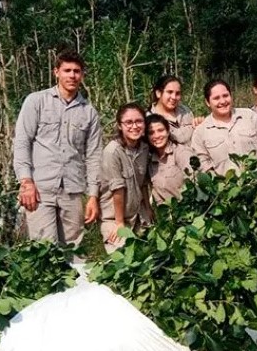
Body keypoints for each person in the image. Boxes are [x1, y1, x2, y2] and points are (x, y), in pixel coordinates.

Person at [13, 49, 102, 248]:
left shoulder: (89, 113)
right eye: (67, 70)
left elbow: (94, 156)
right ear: (56, 72)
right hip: (40, 189)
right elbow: (22, 143)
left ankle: (75, 279)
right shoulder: (36, 101)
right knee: (44, 250)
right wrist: (26, 182)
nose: (72, 75)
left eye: (77, 71)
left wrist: (93, 196)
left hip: (72, 190)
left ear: (82, 75)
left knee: (73, 249)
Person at [191, 79, 257, 179]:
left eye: (225, 96)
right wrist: (220, 188)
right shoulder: (201, 132)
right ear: (207, 102)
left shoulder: (250, 116)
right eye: (216, 98)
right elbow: (203, 165)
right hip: (225, 192)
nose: (223, 101)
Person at [99, 103, 151, 253]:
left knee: (152, 251)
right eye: (129, 122)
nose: (134, 126)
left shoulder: (144, 148)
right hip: (115, 217)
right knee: (124, 257)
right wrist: (120, 223)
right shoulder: (112, 151)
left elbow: (143, 183)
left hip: (138, 213)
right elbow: (118, 190)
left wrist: (148, 208)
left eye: (139, 121)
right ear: (120, 126)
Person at [146, 113, 194, 204]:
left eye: (160, 130)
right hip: (167, 214)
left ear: (168, 132)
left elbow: (195, 183)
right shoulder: (150, 161)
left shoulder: (182, 152)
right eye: (151, 133)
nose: (156, 136)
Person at [148, 75, 203, 144]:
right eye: (169, 92)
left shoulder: (185, 111)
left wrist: (198, 123)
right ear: (158, 93)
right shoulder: (148, 119)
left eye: (177, 93)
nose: (174, 97)